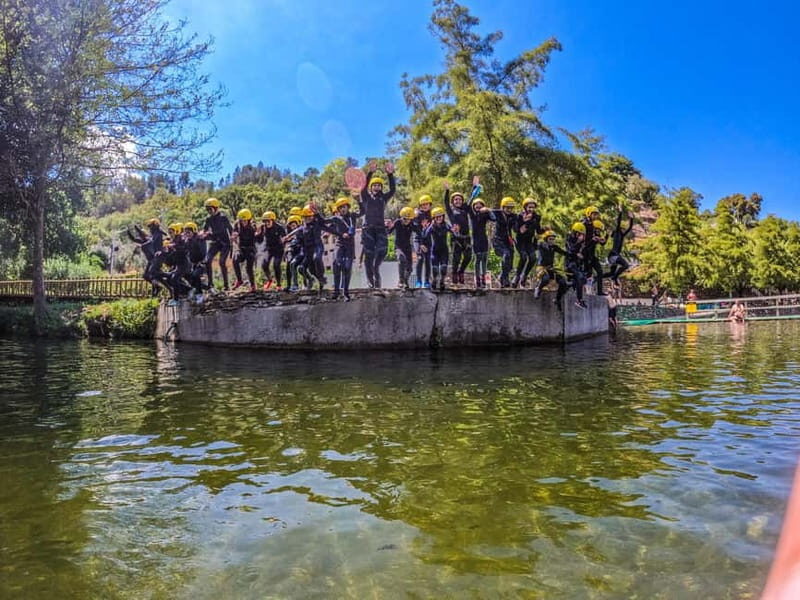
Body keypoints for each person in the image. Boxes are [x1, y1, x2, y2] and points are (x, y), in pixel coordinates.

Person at [358, 160, 396, 288]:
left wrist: (390, 174)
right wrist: (370, 173)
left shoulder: (383, 198)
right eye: (374, 185)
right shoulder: (366, 197)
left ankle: (376, 268)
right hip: (368, 229)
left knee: (383, 250)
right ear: (371, 187)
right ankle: (371, 283)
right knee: (368, 256)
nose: (377, 187)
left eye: (379, 185)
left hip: (380, 229)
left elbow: (393, 190)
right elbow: (363, 188)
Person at [127, 218, 168, 296]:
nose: (150, 229)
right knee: (146, 276)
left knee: (153, 274)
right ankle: (157, 287)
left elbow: (145, 236)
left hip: (155, 259)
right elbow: (134, 239)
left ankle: (163, 286)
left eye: (150, 227)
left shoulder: (150, 238)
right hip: (151, 261)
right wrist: (129, 232)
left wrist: (137, 229)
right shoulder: (146, 239)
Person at [328, 197, 358, 300]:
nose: (342, 209)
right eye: (340, 208)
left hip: (350, 246)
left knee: (347, 268)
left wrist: (359, 200)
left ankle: (346, 292)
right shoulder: (336, 219)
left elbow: (363, 211)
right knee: (337, 264)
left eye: (344, 207)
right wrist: (316, 213)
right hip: (339, 245)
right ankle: (336, 291)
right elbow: (324, 223)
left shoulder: (352, 216)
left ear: (348, 207)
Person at [467, 179, 495, 289]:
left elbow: (494, 219)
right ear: (474, 206)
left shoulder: (485, 215)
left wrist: (488, 210)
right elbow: (468, 204)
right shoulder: (472, 215)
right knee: (477, 259)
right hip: (475, 240)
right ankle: (477, 279)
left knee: (484, 259)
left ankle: (483, 279)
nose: (478, 207)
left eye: (480, 205)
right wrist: (474, 190)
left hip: (484, 239)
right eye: (476, 205)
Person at [201, 198, 233, 291]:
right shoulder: (208, 219)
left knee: (222, 262)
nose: (209, 211)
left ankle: (226, 285)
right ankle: (210, 284)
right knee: (207, 261)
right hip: (215, 242)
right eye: (207, 209)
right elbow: (205, 230)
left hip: (225, 243)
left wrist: (233, 238)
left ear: (215, 208)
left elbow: (230, 229)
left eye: (210, 209)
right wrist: (204, 234)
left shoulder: (223, 217)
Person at [443, 183, 472, 286]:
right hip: (456, 238)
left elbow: (471, 198)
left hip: (466, 237)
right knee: (457, 258)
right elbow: (446, 202)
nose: (458, 201)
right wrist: (447, 191)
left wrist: (474, 187)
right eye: (455, 199)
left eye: (460, 199)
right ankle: (454, 273)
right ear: (453, 201)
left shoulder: (465, 209)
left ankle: (461, 271)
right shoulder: (451, 211)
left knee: (468, 256)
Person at [513, 197, 544, 288]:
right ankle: (517, 277)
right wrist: (527, 222)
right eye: (529, 207)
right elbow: (518, 230)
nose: (531, 209)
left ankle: (524, 276)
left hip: (529, 241)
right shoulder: (519, 216)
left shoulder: (536, 217)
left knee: (533, 258)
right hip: (520, 241)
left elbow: (538, 230)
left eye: (533, 207)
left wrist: (545, 229)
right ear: (525, 207)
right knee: (523, 257)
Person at [533, 230, 568, 310]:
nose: (552, 241)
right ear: (546, 239)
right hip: (541, 268)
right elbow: (535, 246)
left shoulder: (554, 247)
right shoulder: (541, 244)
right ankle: (538, 288)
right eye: (550, 239)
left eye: (553, 239)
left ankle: (557, 299)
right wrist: (536, 237)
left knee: (563, 282)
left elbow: (564, 253)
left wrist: (574, 255)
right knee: (546, 279)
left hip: (550, 269)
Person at [387, 206, 418, 289]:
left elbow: (419, 232)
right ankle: (401, 280)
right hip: (399, 246)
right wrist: (387, 227)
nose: (406, 221)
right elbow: (389, 231)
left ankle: (406, 281)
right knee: (401, 260)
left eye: (408, 219)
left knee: (409, 268)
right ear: (401, 218)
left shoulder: (412, 224)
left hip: (408, 247)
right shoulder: (397, 222)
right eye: (404, 219)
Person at [491, 197, 518, 288]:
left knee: (510, 263)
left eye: (511, 208)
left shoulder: (513, 216)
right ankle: (504, 279)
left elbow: (516, 228)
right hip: (497, 240)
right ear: (503, 207)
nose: (509, 210)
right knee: (506, 255)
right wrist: (484, 209)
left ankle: (502, 276)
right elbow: (488, 212)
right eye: (507, 208)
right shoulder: (497, 213)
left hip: (508, 241)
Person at [423, 206, 451, 291]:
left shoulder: (446, 225)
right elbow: (425, 236)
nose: (439, 218)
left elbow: (454, 232)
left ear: (443, 217)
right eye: (437, 217)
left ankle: (442, 281)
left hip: (444, 251)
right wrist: (425, 228)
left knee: (443, 269)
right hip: (434, 251)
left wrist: (456, 231)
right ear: (434, 218)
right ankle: (434, 281)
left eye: (440, 216)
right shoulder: (431, 226)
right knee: (435, 270)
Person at [257, 211, 286, 291]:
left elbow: (285, 238)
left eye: (268, 221)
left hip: (278, 249)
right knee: (264, 264)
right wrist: (258, 234)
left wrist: (283, 241)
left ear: (273, 220)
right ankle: (270, 280)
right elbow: (259, 240)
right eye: (265, 221)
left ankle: (279, 284)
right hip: (268, 248)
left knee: (276, 265)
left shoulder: (279, 227)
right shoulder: (262, 228)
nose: (267, 223)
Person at [581, 206, 606, 296]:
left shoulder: (593, 225)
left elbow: (601, 242)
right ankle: (582, 290)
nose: (595, 216)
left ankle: (599, 291)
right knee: (587, 273)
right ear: (589, 214)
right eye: (594, 214)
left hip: (591, 254)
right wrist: (593, 239)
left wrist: (601, 239)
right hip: (585, 253)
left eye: (596, 215)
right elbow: (584, 240)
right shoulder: (584, 223)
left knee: (600, 271)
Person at [606, 207, 634, 287]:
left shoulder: (621, 236)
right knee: (626, 265)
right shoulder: (617, 233)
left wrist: (631, 218)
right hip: (613, 255)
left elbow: (629, 228)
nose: (623, 230)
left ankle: (597, 278)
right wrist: (620, 212)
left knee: (611, 273)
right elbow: (618, 223)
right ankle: (614, 278)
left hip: (614, 256)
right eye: (622, 229)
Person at [232, 209, 257, 292]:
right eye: (242, 221)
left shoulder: (252, 226)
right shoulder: (237, 224)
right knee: (235, 259)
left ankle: (253, 285)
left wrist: (257, 234)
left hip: (250, 248)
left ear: (249, 220)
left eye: (245, 221)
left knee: (249, 268)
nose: (243, 222)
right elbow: (234, 232)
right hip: (241, 248)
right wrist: (234, 236)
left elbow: (257, 236)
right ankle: (239, 280)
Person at [566, 222, 588, 309]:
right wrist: (578, 243)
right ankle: (579, 300)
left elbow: (582, 252)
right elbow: (571, 250)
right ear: (575, 232)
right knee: (580, 277)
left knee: (583, 279)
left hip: (577, 264)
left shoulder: (581, 241)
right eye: (579, 234)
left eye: (582, 234)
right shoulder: (569, 239)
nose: (581, 236)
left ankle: (569, 285)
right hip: (570, 263)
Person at [183, 222, 207, 299]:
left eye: (189, 232)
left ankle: (200, 294)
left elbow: (203, 251)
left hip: (202, 262)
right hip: (194, 264)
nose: (187, 234)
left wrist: (201, 262)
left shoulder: (199, 239)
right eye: (186, 233)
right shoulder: (187, 241)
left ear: (194, 231)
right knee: (190, 278)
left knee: (195, 275)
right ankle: (207, 288)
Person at [414, 194, 433, 288]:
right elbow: (417, 230)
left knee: (428, 260)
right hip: (418, 239)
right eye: (423, 204)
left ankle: (427, 281)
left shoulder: (432, 215)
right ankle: (418, 281)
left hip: (428, 240)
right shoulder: (417, 215)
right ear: (420, 205)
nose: (425, 206)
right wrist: (421, 244)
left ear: (430, 205)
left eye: (427, 204)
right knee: (420, 259)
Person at [284, 215, 304, 292]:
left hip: (301, 252)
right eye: (291, 226)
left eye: (294, 225)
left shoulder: (301, 231)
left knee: (301, 268)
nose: (293, 227)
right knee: (291, 265)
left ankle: (307, 281)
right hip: (293, 252)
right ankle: (293, 285)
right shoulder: (289, 232)